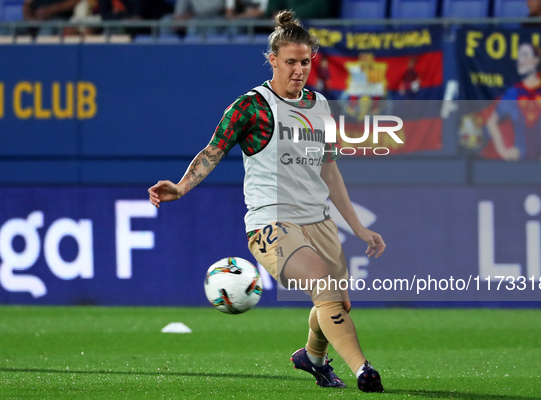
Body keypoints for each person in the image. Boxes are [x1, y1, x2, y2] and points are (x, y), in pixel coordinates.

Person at [148, 10, 385, 393]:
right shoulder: (252, 106)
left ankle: (312, 358)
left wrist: (358, 228)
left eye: (305, 62)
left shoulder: (320, 106)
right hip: (271, 224)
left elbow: (330, 171)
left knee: (338, 303)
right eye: (290, 62)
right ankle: (364, 370)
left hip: (319, 222)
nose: (298, 70)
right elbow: (214, 150)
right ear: (273, 60)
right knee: (324, 289)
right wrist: (181, 187)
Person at [485, 43, 541, 161]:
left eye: (524, 55)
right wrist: (503, 150)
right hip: (520, 164)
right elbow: (491, 120)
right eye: (518, 57)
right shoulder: (513, 92)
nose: (519, 60)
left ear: (536, 61)